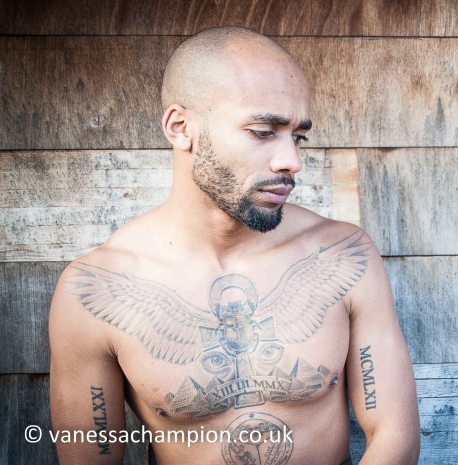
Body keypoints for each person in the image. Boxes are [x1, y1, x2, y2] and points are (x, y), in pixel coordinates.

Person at [48, 26, 420, 465]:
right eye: (263, 131)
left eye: (298, 137)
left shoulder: (343, 253)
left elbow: (395, 434)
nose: (292, 162)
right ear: (180, 128)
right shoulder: (94, 289)